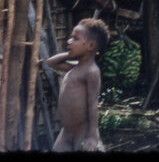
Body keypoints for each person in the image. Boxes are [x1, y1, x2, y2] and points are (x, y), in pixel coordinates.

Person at [43, 18, 110, 152]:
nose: (69, 41)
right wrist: (70, 54)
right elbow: (51, 62)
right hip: (66, 132)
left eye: (75, 39)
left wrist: (92, 136)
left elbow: (92, 104)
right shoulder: (75, 67)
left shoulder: (91, 71)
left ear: (91, 45)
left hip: (82, 133)